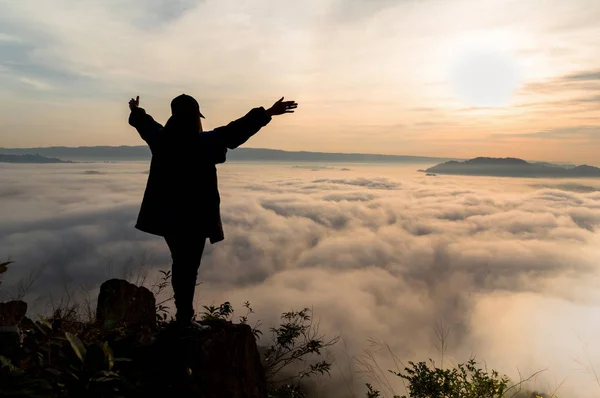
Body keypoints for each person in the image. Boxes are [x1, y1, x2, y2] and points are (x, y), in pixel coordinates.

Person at [128, 94, 297, 331]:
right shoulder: (205, 142)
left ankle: (184, 317)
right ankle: (185, 320)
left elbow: (147, 125)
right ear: (195, 118)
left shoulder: (162, 140)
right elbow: (235, 131)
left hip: (167, 217)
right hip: (195, 219)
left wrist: (136, 111)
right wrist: (268, 112)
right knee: (188, 267)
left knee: (181, 263)